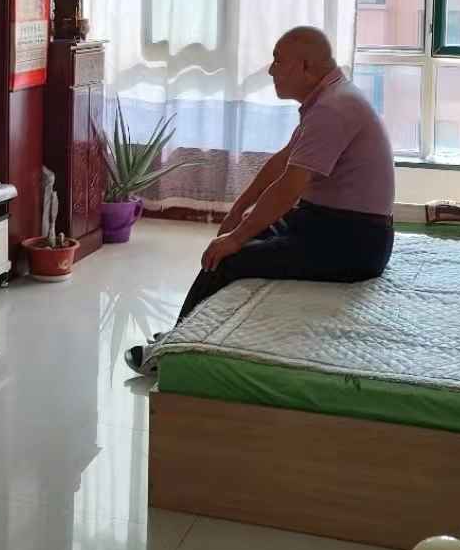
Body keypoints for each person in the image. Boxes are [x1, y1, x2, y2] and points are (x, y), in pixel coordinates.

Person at [125, 26, 395, 372]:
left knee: (225, 259)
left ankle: (170, 357)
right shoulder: (330, 98)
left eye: (278, 61)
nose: (270, 70)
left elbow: (289, 187)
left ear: (305, 66)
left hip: (352, 243)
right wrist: (238, 213)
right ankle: (181, 336)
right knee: (230, 245)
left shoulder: (333, 108)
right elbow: (282, 162)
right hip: (327, 225)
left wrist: (236, 238)